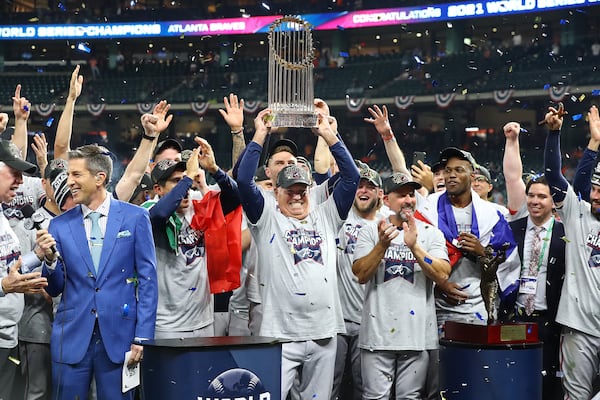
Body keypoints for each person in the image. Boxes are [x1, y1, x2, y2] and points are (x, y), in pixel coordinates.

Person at [236, 108, 359, 399]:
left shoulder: (326, 216)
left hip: (323, 332)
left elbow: (351, 176)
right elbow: (243, 181)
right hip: (281, 335)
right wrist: (261, 133)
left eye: (302, 189)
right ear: (275, 193)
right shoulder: (266, 218)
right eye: (289, 189)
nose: (297, 194)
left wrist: (329, 135)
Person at [42, 144, 158, 400]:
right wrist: (50, 259)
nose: (68, 181)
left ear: (99, 178)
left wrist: (142, 336)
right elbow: (54, 287)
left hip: (120, 337)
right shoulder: (58, 226)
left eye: (76, 174)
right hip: (71, 338)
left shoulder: (135, 218)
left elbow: (148, 282)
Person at [353, 172, 450, 399]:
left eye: (411, 195)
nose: (408, 200)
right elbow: (360, 274)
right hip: (377, 336)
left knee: (410, 398)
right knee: (375, 397)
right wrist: (382, 246)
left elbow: (442, 274)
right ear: (386, 200)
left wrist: (415, 248)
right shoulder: (371, 231)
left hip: (417, 336)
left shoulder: (430, 234)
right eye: (401, 195)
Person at [142, 137, 241, 339]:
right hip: (166, 324)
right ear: (158, 189)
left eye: (184, 179)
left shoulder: (199, 204)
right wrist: (188, 178)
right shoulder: (148, 211)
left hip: (203, 320)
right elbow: (160, 215)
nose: (184, 187)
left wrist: (214, 169)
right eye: (176, 181)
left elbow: (235, 198)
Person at [417, 147, 519, 327]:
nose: (451, 175)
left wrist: (483, 252)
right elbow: (415, 254)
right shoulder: (427, 209)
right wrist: (439, 284)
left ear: (472, 177)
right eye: (447, 171)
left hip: (479, 307)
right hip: (437, 307)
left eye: (459, 170)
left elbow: (509, 261)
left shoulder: (492, 215)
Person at [501, 121, 565, 400]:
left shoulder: (566, 234)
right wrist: (512, 141)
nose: (535, 201)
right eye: (531, 195)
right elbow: (512, 178)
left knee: (548, 384)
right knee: (513, 379)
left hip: (550, 321)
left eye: (542, 196)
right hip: (515, 316)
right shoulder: (515, 227)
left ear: (554, 201)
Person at [543, 103, 600, 399]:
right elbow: (553, 177)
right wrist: (555, 134)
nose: (596, 193)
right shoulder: (579, 216)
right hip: (579, 329)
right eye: (595, 187)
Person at [0, 139, 50, 400]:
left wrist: (37, 255)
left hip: (8, 334)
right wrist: (3, 287)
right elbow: (5, 281)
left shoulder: (2, 214)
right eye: (14, 173)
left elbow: (10, 268)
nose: (20, 181)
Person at [331, 164, 383, 400]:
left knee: (366, 387)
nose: (363, 190)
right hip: (338, 319)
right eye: (359, 186)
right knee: (330, 383)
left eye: (370, 187)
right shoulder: (339, 218)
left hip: (370, 321)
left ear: (380, 193)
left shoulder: (386, 224)